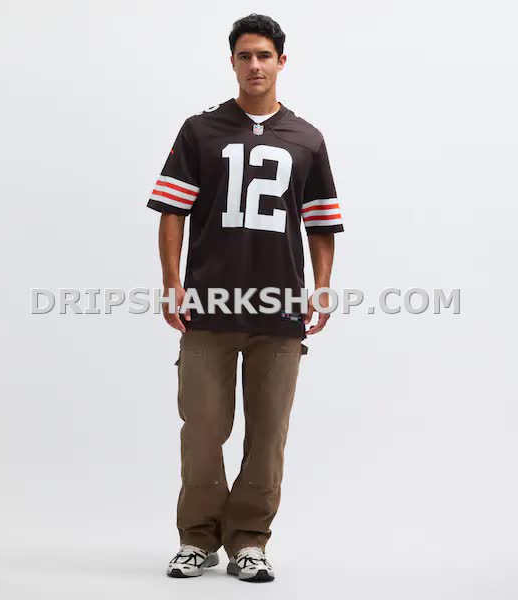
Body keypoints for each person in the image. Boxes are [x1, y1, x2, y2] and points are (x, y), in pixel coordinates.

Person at [147, 13, 344, 583]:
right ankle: (196, 539)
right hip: (208, 306)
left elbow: (321, 222)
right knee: (202, 430)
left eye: (264, 55)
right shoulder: (200, 131)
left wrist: (322, 288)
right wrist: (172, 282)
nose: (254, 65)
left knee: (268, 435)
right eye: (244, 56)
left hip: (280, 310)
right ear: (232, 62)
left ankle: (250, 541)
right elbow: (172, 211)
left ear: (282, 61)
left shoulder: (307, 138)